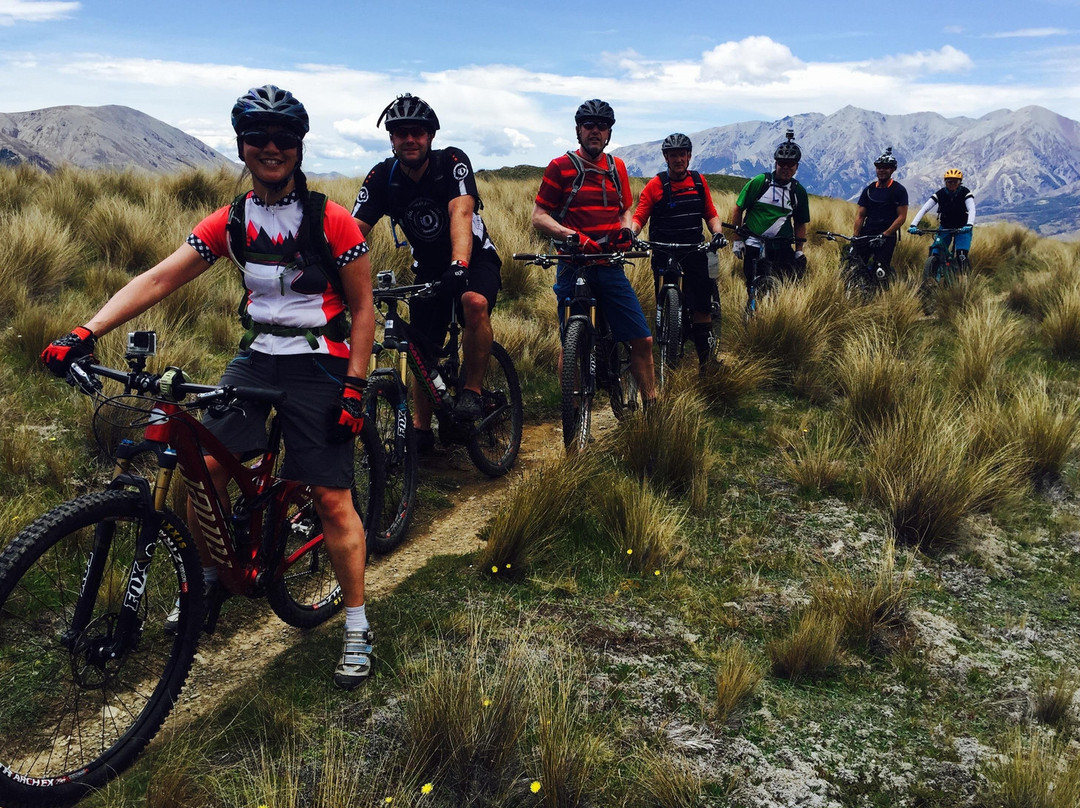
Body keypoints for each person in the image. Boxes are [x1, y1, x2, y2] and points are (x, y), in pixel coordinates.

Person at [40, 85, 377, 690]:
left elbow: (362, 309)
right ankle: (218, 573)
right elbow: (159, 277)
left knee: (330, 500)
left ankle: (355, 622)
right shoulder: (234, 221)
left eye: (284, 139)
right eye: (258, 138)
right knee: (204, 469)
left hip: (320, 364)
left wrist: (354, 386)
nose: (271, 149)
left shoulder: (332, 219)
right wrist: (84, 331)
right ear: (242, 146)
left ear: (299, 147)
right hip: (256, 359)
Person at [352, 93, 502, 454]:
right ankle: (421, 431)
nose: (409, 139)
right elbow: (353, 231)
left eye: (417, 132)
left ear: (430, 136)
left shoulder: (451, 162)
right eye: (400, 133)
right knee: (420, 348)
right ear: (391, 139)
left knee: (474, 302)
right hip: (427, 267)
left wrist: (460, 265)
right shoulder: (381, 177)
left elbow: (461, 215)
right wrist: (326, 272)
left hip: (473, 257)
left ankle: (473, 391)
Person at [531, 98, 657, 406]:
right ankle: (572, 414)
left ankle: (652, 405)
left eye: (602, 127)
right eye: (589, 126)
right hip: (573, 263)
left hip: (610, 263)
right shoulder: (560, 167)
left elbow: (624, 209)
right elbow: (539, 215)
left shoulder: (617, 167)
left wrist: (626, 229)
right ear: (578, 130)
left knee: (642, 340)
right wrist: (569, 235)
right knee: (569, 346)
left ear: (609, 133)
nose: (595, 132)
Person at [631, 133, 726, 371]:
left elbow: (710, 213)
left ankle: (707, 362)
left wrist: (717, 233)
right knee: (665, 299)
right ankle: (671, 341)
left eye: (681, 154)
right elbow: (640, 214)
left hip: (694, 249)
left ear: (689, 156)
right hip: (664, 250)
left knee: (703, 306)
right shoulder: (656, 184)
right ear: (666, 157)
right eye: (673, 155)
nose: (678, 159)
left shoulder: (698, 181)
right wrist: (632, 233)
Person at [729, 129, 810, 314]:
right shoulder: (761, 182)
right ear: (776, 163)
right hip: (754, 242)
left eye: (791, 164)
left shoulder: (798, 192)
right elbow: (738, 208)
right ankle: (751, 312)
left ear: (796, 167)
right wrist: (737, 240)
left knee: (785, 283)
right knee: (753, 282)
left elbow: (800, 222)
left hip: (782, 245)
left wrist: (799, 251)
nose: (786, 168)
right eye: (782, 163)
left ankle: (776, 318)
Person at [852, 146, 908, 277]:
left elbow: (902, 217)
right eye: (879, 167)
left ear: (892, 169)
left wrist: (886, 234)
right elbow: (860, 215)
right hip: (868, 232)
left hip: (887, 235)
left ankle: (882, 292)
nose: (882, 170)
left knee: (880, 271)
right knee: (855, 265)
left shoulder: (899, 190)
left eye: (886, 167)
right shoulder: (869, 190)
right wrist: (856, 235)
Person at [909, 168, 976, 270]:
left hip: (963, 227)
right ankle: (932, 277)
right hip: (945, 227)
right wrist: (913, 224)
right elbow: (924, 209)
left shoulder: (965, 192)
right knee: (936, 252)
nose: (952, 184)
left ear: (959, 182)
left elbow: (971, 209)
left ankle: (964, 279)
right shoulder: (940, 193)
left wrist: (969, 224)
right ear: (945, 182)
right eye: (949, 181)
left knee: (961, 256)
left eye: (955, 182)